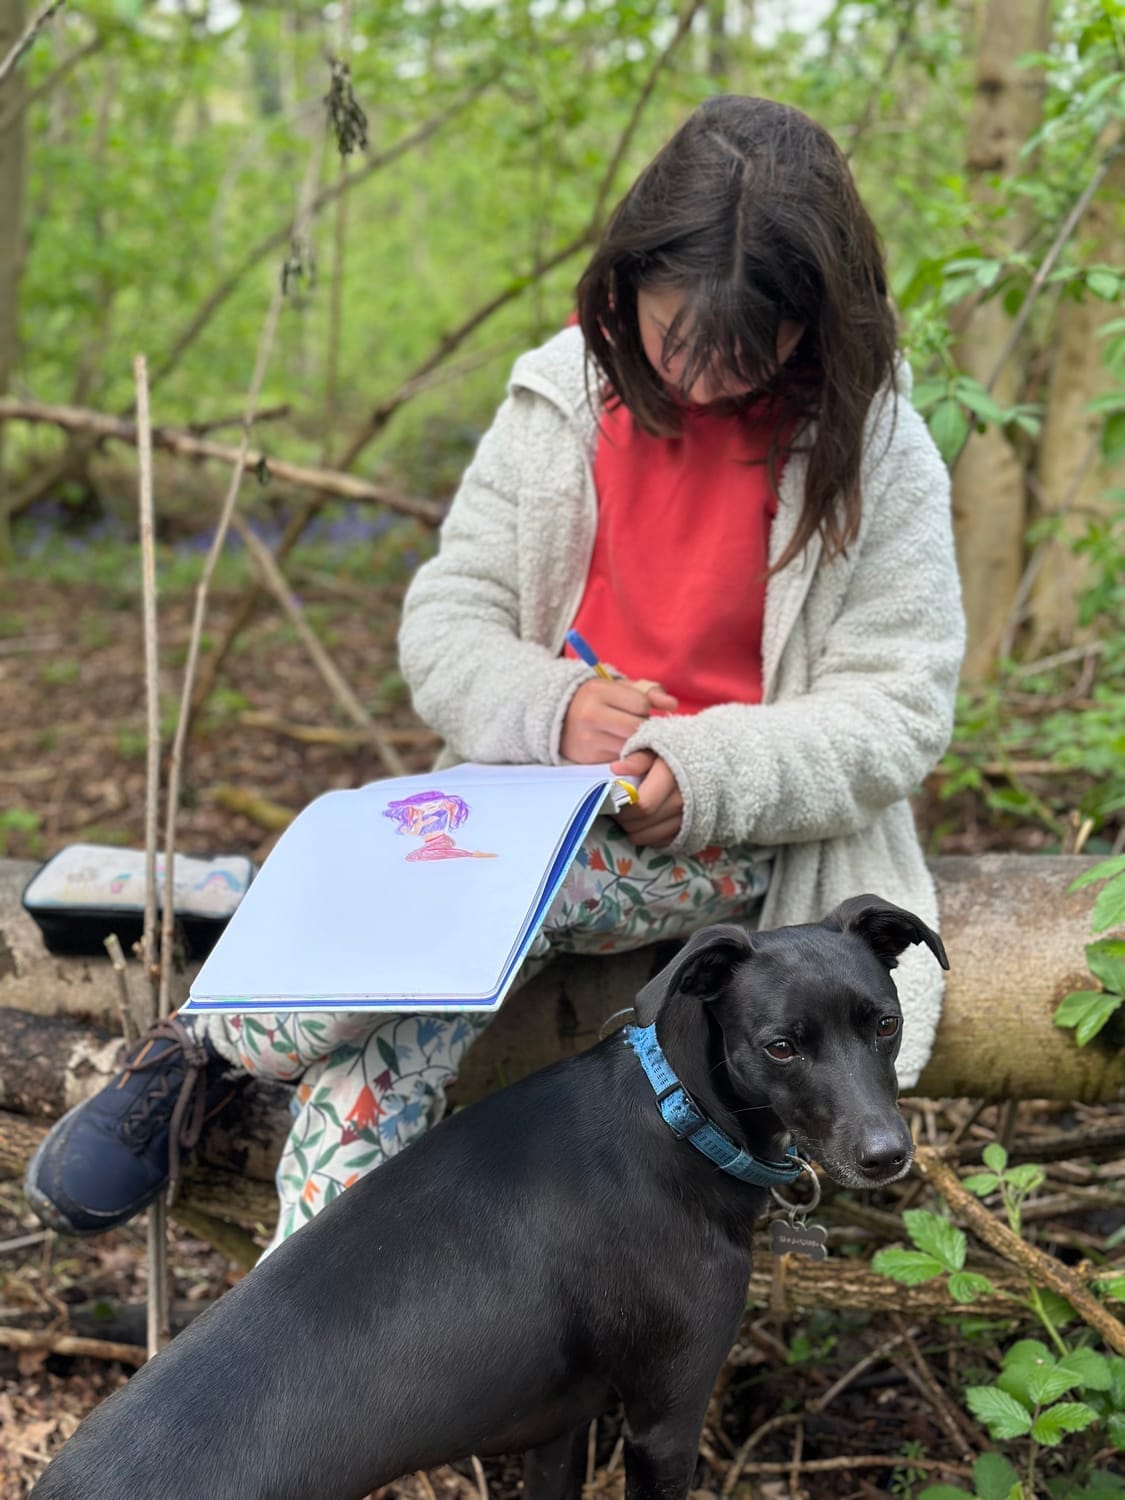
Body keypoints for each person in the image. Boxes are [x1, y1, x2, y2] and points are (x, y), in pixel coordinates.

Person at [25, 93, 964, 1253]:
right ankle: (307, 1314)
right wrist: (553, 708)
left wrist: (705, 768)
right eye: (676, 338)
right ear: (627, 283)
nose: (705, 379)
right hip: (523, 800)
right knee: (390, 1040)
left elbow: (902, 707)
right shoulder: (562, 397)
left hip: (739, 837)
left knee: (479, 897)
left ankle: (208, 1043)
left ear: (818, 318)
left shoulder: (876, 444)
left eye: (748, 351)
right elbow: (446, 620)